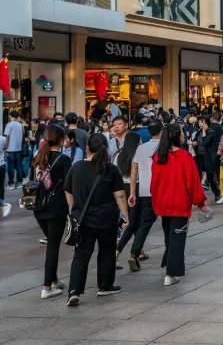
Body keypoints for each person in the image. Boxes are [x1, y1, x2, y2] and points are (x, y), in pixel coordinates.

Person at [64, 134, 128, 306]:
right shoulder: (110, 169)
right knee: (106, 252)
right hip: (106, 218)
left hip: (83, 219)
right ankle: (105, 285)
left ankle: (74, 290)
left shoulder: (76, 168)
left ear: (87, 148)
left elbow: (68, 190)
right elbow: (120, 195)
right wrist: (125, 215)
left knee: (81, 255)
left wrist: (73, 209)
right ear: (105, 148)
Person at [150, 123, 209, 285]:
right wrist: (200, 203)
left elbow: (154, 183)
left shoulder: (158, 157)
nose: (183, 135)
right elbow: (193, 183)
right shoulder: (184, 157)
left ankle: (169, 265)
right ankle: (171, 273)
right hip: (179, 204)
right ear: (177, 136)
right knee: (177, 238)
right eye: (182, 132)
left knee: (169, 236)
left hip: (163, 204)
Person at [31, 124, 71, 299]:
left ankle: (53, 279)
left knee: (52, 243)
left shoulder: (38, 157)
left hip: (39, 207)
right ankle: (47, 287)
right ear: (62, 140)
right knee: (53, 246)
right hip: (56, 208)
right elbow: (68, 186)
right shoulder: (63, 160)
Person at [126, 120, 162, 271]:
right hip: (161, 190)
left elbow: (133, 172)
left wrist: (133, 192)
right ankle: (171, 252)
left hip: (145, 191)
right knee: (169, 221)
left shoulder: (140, 149)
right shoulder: (163, 147)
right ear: (162, 131)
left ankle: (134, 252)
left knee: (145, 222)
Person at [115, 132, 143, 260]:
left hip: (121, 188)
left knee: (135, 220)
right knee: (133, 222)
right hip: (135, 189)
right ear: (137, 142)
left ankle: (139, 251)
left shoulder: (118, 155)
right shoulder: (138, 156)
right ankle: (118, 250)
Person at [193, 116, 220, 203]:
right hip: (199, 156)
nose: (200, 123)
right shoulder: (199, 132)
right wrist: (193, 143)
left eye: (202, 122)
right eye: (199, 122)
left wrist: (204, 131)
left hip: (208, 157)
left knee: (210, 177)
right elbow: (195, 140)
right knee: (198, 177)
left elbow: (205, 142)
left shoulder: (211, 132)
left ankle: (217, 193)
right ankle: (199, 197)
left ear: (206, 123)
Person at [4, 110, 24, 189]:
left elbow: (7, 137)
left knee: (10, 166)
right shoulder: (20, 125)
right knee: (18, 165)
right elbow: (22, 136)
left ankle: (11, 183)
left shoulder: (9, 125)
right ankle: (19, 182)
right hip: (18, 148)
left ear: (11, 116)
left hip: (10, 148)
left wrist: (5, 148)